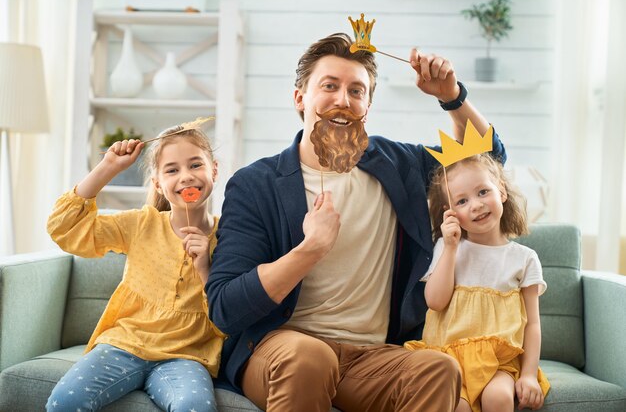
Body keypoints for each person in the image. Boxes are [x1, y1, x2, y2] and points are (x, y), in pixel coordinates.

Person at [207, 32, 507, 412]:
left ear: (367, 105)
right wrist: (309, 250)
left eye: (356, 90)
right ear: (300, 97)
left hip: (371, 358)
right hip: (282, 347)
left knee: (439, 368)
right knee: (310, 358)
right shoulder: (256, 184)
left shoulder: (399, 165)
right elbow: (224, 307)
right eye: (329, 86)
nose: (343, 100)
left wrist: (452, 97)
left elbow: (488, 162)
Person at [45, 127, 225, 412]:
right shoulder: (141, 224)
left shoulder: (229, 237)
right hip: (123, 345)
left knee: (196, 407)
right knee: (64, 401)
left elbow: (229, 313)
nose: (186, 176)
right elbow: (64, 229)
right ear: (157, 183)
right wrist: (107, 168)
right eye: (171, 170)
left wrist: (205, 268)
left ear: (214, 170)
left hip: (186, 356)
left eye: (195, 164)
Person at [404, 153, 550, 412]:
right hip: (447, 360)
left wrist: (528, 374)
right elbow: (435, 302)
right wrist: (450, 248)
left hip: (499, 363)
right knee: (456, 406)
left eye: (483, 192)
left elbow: (533, 324)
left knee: (499, 398)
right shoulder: (446, 248)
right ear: (450, 213)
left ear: (501, 191)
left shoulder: (524, 259)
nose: (476, 205)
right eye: (462, 200)